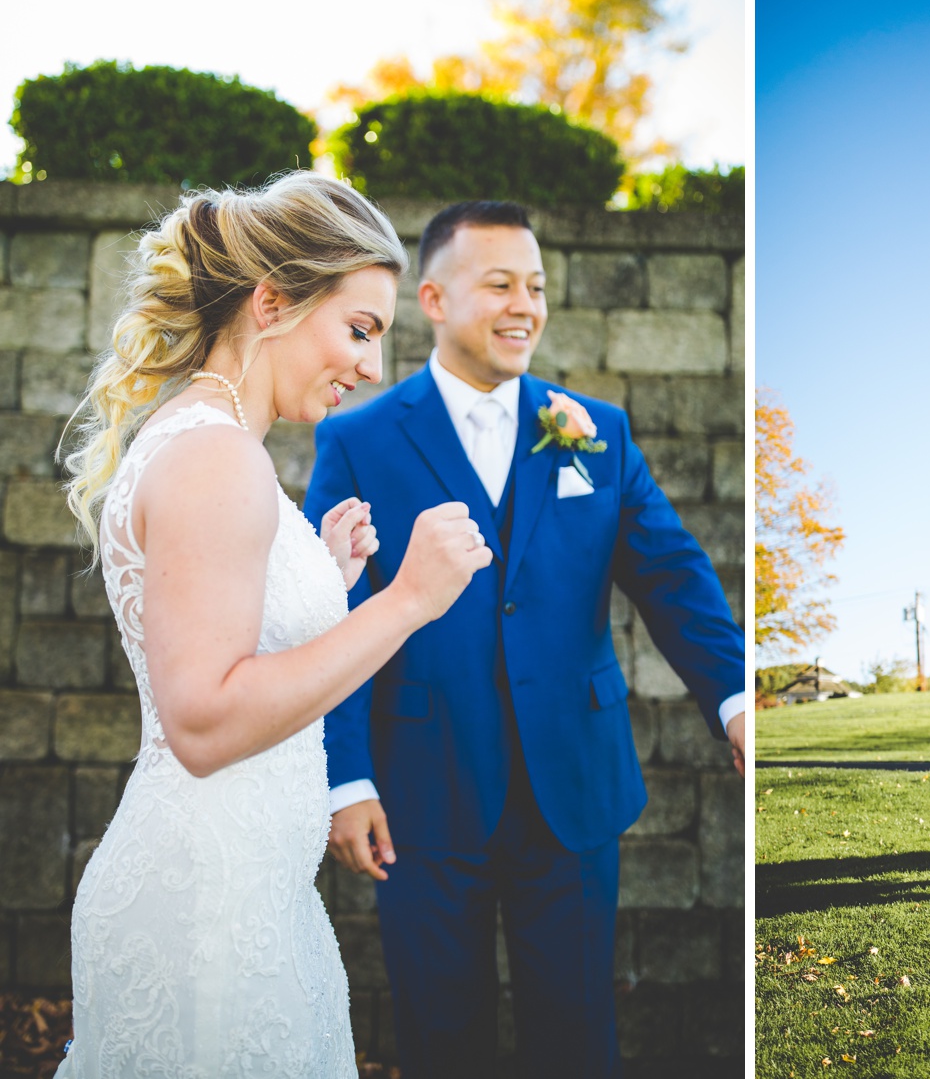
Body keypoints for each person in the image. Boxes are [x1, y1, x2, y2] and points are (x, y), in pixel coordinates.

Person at [54, 173, 491, 1077]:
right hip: (209, 920)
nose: (373, 367)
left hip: (243, 900)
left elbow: (222, 640)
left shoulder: (211, 441)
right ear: (272, 301)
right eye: (361, 329)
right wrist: (404, 600)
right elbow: (207, 720)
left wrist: (319, 579)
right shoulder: (218, 456)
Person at [302, 200, 746, 1078]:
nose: (524, 306)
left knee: (577, 1036)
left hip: (573, 787)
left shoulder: (597, 432)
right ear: (432, 297)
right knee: (439, 1035)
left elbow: (671, 575)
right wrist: (343, 776)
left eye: (536, 287)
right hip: (421, 792)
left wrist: (735, 698)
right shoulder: (355, 438)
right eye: (499, 283)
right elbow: (333, 608)